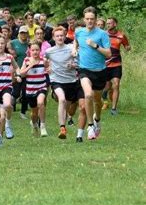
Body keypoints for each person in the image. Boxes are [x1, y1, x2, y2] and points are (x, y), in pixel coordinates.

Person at [73, 7, 111, 140]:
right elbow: (75, 42)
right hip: (84, 70)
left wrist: (95, 46)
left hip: (100, 72)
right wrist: (74, 49)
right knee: (88, 95)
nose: (89, 21)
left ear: (95, 19)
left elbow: (108, 53)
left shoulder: (102, 34)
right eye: (87, 19)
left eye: (92, 19)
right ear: (84, 19)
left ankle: (97, 120)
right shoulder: (79, 32)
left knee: (97, 102)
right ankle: (90, 127)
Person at [44, 27, 80, 139]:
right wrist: (47, 67)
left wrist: (74, 65)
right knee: (62, 99)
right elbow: (44, 61)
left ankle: (64, 128)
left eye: (61, 35)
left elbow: (80, 62)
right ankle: (62, 127)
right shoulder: (49, 51)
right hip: (56, 80)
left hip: (71, 81)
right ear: (53, 37)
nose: (60, 37)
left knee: (66, 107)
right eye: (57, 36)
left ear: (65, 37)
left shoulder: (70, 48)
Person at [102, 17, 130, 115]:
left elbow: (126, 45)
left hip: (116, 64)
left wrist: (127, 48)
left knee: (116, 85)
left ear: (115, 24)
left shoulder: (121, 35)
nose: (108, 25)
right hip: (104, 64)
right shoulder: (103, 34)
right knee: (106, 87)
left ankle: (114, 109)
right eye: (107, 23)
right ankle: (104, 95)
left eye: (110, 23)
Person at [20, 41, 48, 138]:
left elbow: (50, 70)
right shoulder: (26, 60)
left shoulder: (43, 60)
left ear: (40, 50)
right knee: (34, 113)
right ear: (29, 51)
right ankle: (34, 124)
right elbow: (21, 73)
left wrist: (48, 68)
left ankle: (43, 126)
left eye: (37, 50)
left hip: (41, 87)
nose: (35, 52)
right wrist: (30, 66)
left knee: (41, 103)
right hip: (30, 89)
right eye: (33, 50)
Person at [8, 25, 29, 119]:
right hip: (16, 70)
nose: (23, 35)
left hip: (27, 71)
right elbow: (7, 46)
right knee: (15, 92)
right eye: (22, 33)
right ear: (19, 33)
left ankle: (23, 112)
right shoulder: (13, 42)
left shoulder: (29, 44)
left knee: (25, 93)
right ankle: (11, 107)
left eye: (25, 33)